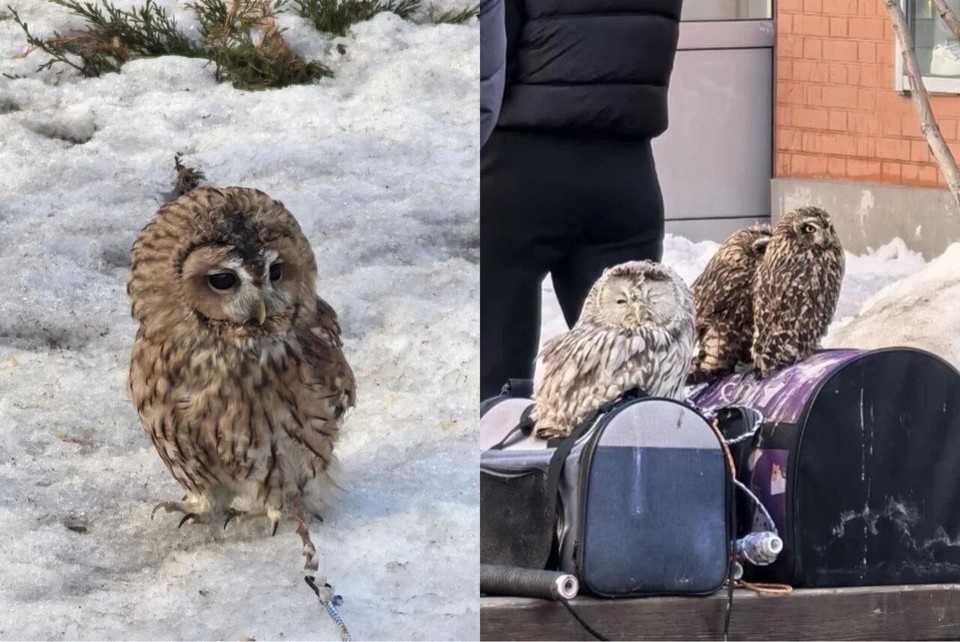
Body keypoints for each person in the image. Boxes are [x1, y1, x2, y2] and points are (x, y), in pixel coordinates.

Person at [479, 0, 684, 400]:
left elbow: (491, 51)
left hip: (519, 167)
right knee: (625, 384)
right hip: (627, 174)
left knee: (495, 385)